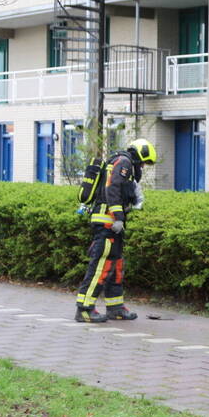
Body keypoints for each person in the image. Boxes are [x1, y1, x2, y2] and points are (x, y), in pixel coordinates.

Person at [74, 138, 157, 323]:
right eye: (143, 162)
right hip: (107, 223)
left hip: (114, 225)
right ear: (139, 154)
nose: (143, 167)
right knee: (100, 267)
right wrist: (119, 217)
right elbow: (113, 187)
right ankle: (84, 309)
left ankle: (115, 307)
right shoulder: (124, 162)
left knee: (116, 265)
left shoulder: (123, 164)